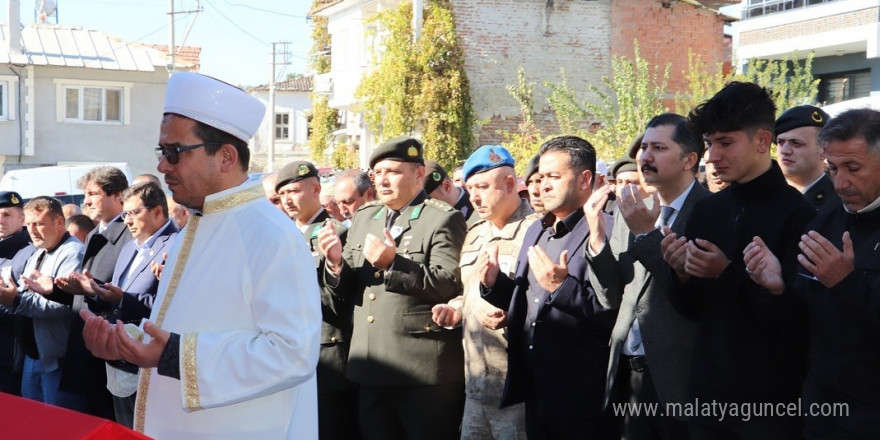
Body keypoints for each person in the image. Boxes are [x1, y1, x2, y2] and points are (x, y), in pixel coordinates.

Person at [79, 71, 321, 439]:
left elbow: (293, 353)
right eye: (162, 152)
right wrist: (129, 341)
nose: (162, 166)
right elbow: (190, 327)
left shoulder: (271, 235)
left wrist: (173, 354)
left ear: (225, 157)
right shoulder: (198, 226)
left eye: (175, 152)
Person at [662, 82, 815, 439]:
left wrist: (728, 273)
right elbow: (693, 310)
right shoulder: (707, 209)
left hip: (771, 406)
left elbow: (799, 321)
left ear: (763, 142)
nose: (712, 156)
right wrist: (680, 274)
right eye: (709, 144)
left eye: (725, 142)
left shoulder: (799, 215)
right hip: (707, 397)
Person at [317, 136, 466, 440]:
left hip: (421, 370)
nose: (383, 180)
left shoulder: (440, 218)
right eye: (378, 173)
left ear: (419, 173)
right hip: (370, 366)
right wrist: (335, 265)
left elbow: (449, 283)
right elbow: (348, 291)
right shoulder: (364, 217)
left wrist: (393, 265)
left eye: (394, 172)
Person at [747, 108, 880, 438]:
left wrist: (847, 284)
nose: (841, 182)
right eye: (833, 168)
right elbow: (799, 322)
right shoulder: (825, 220)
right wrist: (777, 289)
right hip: (821, 408)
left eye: (853, 167)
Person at [481, 135, 617, 439]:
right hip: (536, 386)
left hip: (582, 395)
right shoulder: (537, 229)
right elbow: (529, 298)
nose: (543, 185)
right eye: (540, 177)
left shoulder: (607, 228)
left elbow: (613, 312)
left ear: (585, 180)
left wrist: (561, 286)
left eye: (554, 177)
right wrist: (494, 285)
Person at [585, 113, 708, 439]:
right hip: (627, 372)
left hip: (681, 381)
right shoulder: (634, 209)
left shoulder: (712, 212)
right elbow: (610, 296)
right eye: (644, 148)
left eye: (658, 148)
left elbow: (691, 296)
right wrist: (596, 237)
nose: (645, 157)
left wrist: (646, 235)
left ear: (689, 159)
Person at [432, 145, 533, 439]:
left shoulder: (536, 230)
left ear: (511, 184)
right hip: (475, 382)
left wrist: (511, 312)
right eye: (470, 188)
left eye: (483, 187)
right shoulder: (475, 232)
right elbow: (470, 291)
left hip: (515, 387)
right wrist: (455, 308)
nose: (475, 196)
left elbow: (546, 299)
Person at [73, 182, 178, 428]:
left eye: (134, 213)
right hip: (120, 360)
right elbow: (119, 297)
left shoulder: (175, 244)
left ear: (157, 212)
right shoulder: (130, 246)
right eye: (125, 214)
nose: (127, 220)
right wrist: (99, 292)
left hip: (151, 362)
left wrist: (121, 298)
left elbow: (174, 303)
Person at [275, 160, 355, 440]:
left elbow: (341, 298)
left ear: (316, 190)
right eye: (282, 194)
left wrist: (333, 267)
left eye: (294, 191)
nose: (287, 200)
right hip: (289, 351)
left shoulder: (336, 231)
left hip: (326, 353)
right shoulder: (283, 234)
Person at [50, 166, 133, 420]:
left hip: (109, 354)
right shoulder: (95, 233)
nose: (85, 201)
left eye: (93, 193)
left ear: (118, 195)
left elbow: (127, 296)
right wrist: (56, 290)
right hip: (84, 347)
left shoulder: (130, 234)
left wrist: (94, 291)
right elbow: (86, 290)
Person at [0, 197, 85, 411]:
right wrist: (9, 296)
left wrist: (15, 299)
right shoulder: (39, 252)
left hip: (57, 361)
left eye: (39, 223)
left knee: (61, 428)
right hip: (34, 356)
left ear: (59, 223)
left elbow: (64, 305)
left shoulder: (73, 252)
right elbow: (23, 294)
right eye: (29, 224)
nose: (33, 231)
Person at [775, 105, 840, 216]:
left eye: (796, 143)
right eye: (780, 142)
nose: (784, 150)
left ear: (824, 151)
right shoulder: (763, 196)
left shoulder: (842, 201)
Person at [0, 191, 32, 395]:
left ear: (22, 218)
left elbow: (31, 305)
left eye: (7, 215)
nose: (0, 220)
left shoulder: (28, 251)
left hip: (11, 354)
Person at [425, 159, 477, 224]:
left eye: (429, 199)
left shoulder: (480, 208)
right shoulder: (431, 220)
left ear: (446, 187)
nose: (425, 206)